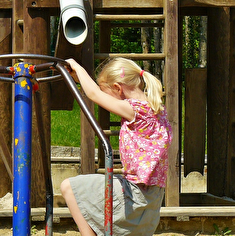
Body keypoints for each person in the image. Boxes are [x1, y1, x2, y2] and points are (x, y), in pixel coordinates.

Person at [61, 58, 172, 236]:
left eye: (108, 93)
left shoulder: (135, 110)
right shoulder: (156, 109)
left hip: (135, 196)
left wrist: (77, 66)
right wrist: (79, 78)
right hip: (153, 199)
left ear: (118, 88)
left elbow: (94, 95)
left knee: (69, 187)